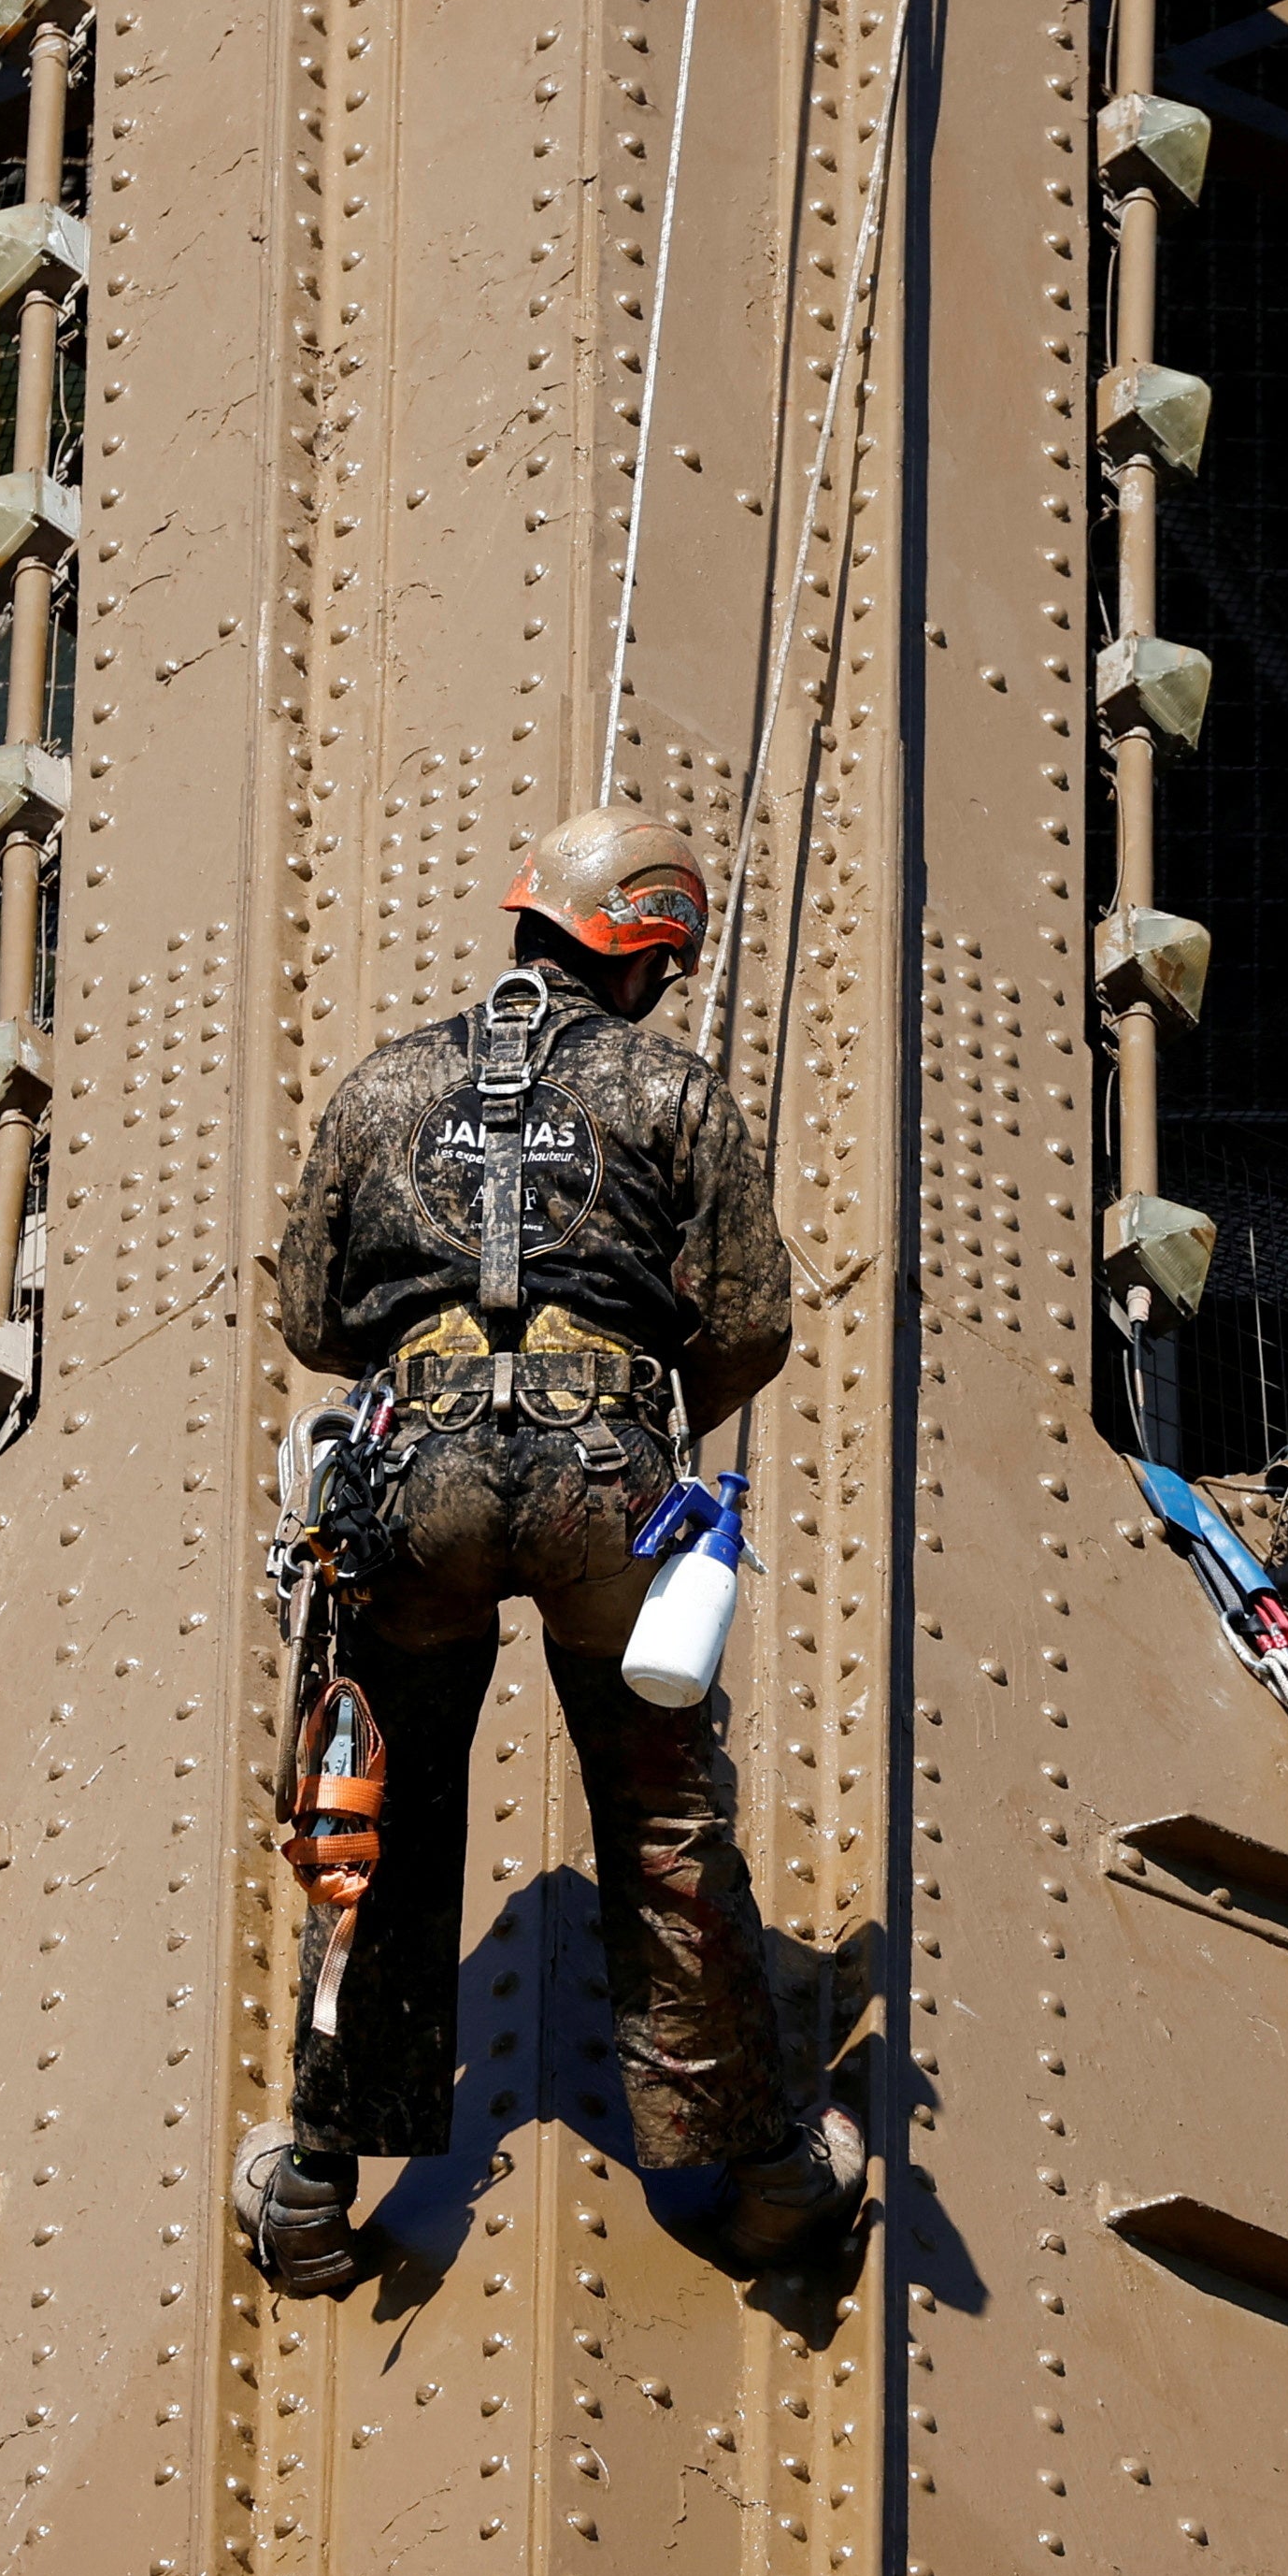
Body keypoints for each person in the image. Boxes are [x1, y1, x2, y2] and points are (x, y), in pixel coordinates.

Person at [240, 804, 856, 2295]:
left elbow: (315, 1324)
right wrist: (647, 1427)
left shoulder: (385, 1088)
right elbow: (757, 1323)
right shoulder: (671, 1090)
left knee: (369, 1806)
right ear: (645, 948)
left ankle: (319, 2179)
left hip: (418, 1473)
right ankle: (766, 2176)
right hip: (607, 1486)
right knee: (663, 1820)